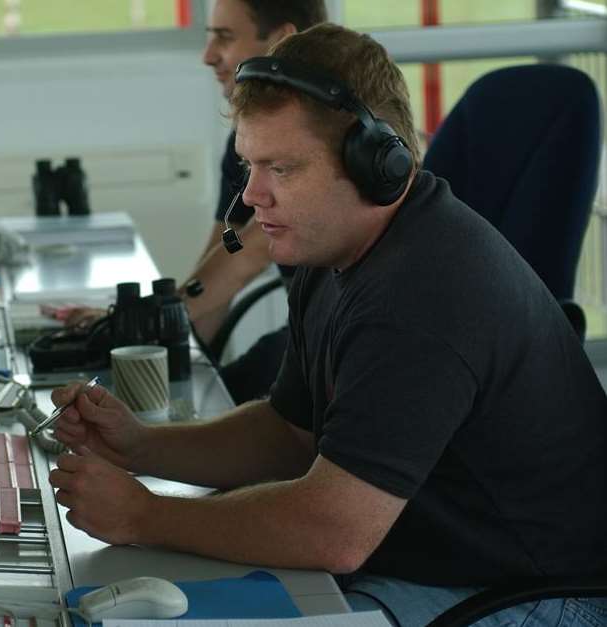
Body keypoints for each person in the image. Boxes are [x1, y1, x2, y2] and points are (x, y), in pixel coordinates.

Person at [47, 23, 607, 626]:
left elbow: (333, 532)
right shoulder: (332, 249)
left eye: (282, 169)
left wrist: (143, 516)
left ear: (377, 164)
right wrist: (142, 447)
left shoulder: (422, 294)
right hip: (432, 561)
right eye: (249, 165)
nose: (254, 195)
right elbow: (290, 432)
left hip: (543, 596)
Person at [65, 0, 328, 404]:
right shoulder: (245, 142)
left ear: (281, 41)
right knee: (206, 404)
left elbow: (248, 253)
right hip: (310, 330)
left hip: (353, 340)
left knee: (230, 416)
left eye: (224, 38)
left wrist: (157, 321)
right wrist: (150, 340)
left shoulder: (320, 131)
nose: (208, 57)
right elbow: (224, 251)